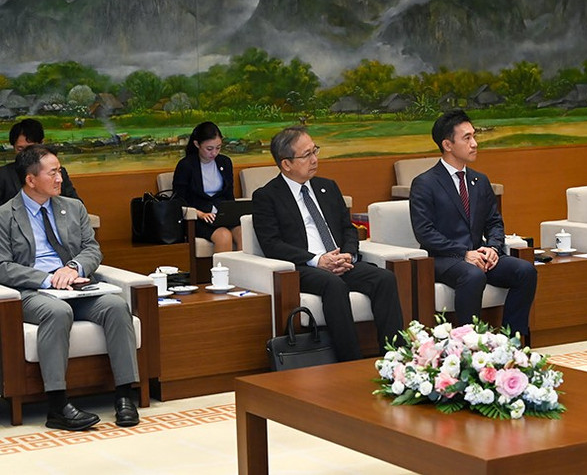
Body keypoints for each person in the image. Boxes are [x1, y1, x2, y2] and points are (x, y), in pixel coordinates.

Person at [0, 144, 140, 430]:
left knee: (116, 305)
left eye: (60, 171)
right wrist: (48, 278)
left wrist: (73, 268)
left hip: (76, 286)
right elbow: (3, 266)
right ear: (31, 180)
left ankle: (125, 395)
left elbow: (92, 249)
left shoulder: (72, 207)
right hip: (34, 291)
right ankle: (57, 406)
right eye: (53, 173)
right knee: (57, 312)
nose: (60, 178)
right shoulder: (5, 215)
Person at [252, 125, 403, 361]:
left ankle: (395, 358)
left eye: (315, 151)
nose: (314, 159)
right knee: (333, 284)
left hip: (340, 260)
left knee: (384, 279)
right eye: (306, 155)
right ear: (286, 164)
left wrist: (349, 255)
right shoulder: (266, 196)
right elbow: (272, 244)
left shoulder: (328, 187)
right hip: (304, 266)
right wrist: (317, 260)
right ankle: (350, 360)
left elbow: (347, 229)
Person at [409, 110, 537, 343]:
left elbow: (494, 222)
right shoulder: (425, 183)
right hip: (443, 258)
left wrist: (494, 249)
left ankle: (512, 341)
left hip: (479, 253)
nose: (475, 143)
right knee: (473, 274)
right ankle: (469, 345)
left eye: (474, 136)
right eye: (466, 138)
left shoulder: (480, 180)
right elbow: (425, 233)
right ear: (447, 144)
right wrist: (463, 253)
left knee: (525, 271)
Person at [173, 121, 241, 253]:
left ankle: (244, 273)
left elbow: (229, 195)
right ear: (197, 144)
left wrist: (231, 213)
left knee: (244, 233)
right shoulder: (186, 165)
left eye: (218, 148)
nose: (214, 153)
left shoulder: (225, 162)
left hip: (222, 215)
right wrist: (200, 214)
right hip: (199, 217)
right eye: (209, 149)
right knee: (223, 236)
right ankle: (221, 274)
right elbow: (178, 200)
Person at [0, 119, 81, 205]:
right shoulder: (3, 175)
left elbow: (75, 206)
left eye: (30, 148)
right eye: (20, 149)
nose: (25, 154)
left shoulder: (57, 172)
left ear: (41, 144)